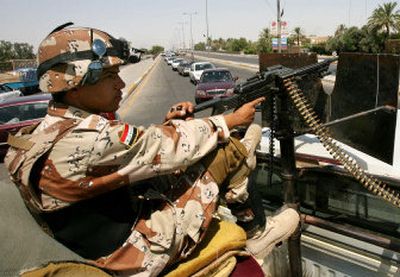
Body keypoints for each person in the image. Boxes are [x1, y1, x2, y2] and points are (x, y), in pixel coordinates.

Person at [5, 24, 300, 276]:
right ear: (74, 85)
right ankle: (256, 231)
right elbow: (155, 146)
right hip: (135, 257)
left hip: (102, 239)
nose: (121, 83)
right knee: (229, 147)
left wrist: (169, 125)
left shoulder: (45, 132)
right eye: (109, 77)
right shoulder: (83, 140)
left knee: (194, 147)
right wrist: (228, 121)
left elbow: (128, 152)